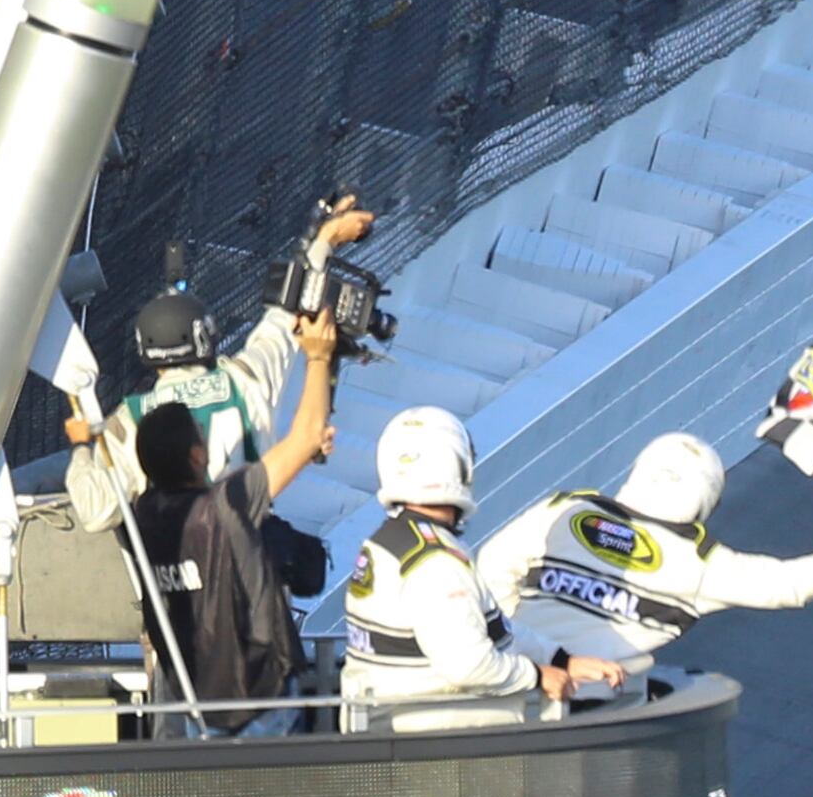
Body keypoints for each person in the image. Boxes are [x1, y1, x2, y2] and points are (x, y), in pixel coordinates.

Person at [477, 431, 813, 704]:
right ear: (706, 500)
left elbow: (493, 564)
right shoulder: (699, 564)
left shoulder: (568, 508)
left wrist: (516, 637)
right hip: (591, 706)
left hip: (511, 676)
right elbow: (789, 584)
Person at [65, 199, 377, 524]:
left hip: (180, 563)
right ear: (205, 335)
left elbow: (96, 511)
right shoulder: (244, 378)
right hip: (251, 547)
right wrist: (325, 239)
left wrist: (81, 447)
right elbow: (284, 314)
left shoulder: (129, 418)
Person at [341, 408, 621, 729]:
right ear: (458, 467)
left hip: (394, 732)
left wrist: (561, 660)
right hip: (441, 748)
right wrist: (539, 675)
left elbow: (495, 627)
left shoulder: (390, 543)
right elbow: (468, 665)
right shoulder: (437, 563)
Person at [128, 312, 340, 733]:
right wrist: (319, 357)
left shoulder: (142, 517)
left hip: (199, 706)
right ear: (196, 456)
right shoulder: (227, 504)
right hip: (259, 698)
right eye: (199, 437)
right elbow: (307, 435)